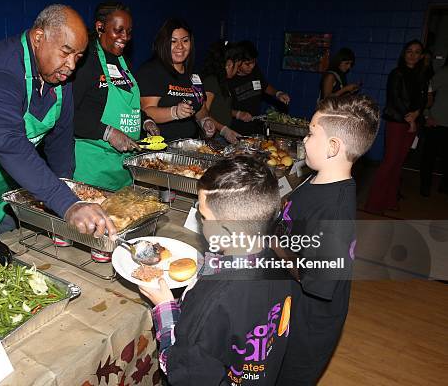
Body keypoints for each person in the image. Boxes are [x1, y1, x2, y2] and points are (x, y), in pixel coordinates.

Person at [0, 4, 117, 247]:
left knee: (14, 248)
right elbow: (9, 143)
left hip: (8, 178)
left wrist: (66, 196)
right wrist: (66, 204)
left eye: (78, 57)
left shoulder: (58, 76)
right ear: (38, 37)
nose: (71, 65)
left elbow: (61, 141)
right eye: (65, 52)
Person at [140, 156, 292, 385]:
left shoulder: (212, 301)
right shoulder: (278, 262)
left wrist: (164, 307)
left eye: (203, 216)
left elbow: (181, 370)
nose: (201, 221)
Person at [276, 95, 380, 385]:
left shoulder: (334, 215)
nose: (305, 139)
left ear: (333, 147)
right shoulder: (317, 177)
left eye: (310, 133)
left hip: (306, 329)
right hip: (288, 308)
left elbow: (316, 279)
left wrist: (275, 246)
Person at [72, 1, 159, 191]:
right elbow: (68, 115)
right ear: (100, 27)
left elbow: (128, 105)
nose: (125, 37)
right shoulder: (85, 62)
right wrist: (108, 133)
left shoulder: (123, 61)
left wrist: (146, 120)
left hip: (122, 170)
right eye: (118, 31)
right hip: (92, 169)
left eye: (129, 31)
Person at [364, 40, 425, 214]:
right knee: (389, 162)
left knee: (398, 164)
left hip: (412, 123)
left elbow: (422, 101)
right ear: (404, 54)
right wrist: (410, 119)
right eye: (409, 51)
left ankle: (390, 201)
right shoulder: (396, 73)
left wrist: (417, 114)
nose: (413, 55)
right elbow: (395, 99)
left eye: (417, 52)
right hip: (397, 122)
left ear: (421, 55)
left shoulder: (421, 76)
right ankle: (374, 204)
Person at [136, 18, 215, 142]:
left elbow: (200, 107)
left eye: (185, 41)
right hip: (160, 149)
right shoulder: (151, 71)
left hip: (189, 146)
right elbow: (146, 111)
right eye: (173, 41)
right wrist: (174, 112)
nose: (180, 46)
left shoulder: (194, 74)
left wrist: (205, 120)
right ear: (163, 43)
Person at [229, 40, 290, 135]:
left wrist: (278, 93)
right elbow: (219, 108)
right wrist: (238, 114)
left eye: (253, 62)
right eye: (247, 64)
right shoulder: (229, 78)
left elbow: (264, 86)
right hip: (235, 130)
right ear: (238, 62)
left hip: (255, 128)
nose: (252, 66)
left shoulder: (255, 70)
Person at [200, 41, 245, 144]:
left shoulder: (223, 81)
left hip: (220, 136)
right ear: (229, 64)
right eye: (237, 66)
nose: (238, 70)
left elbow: (220, 108)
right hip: (213, 137)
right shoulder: (211, 81)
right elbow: (203, 112)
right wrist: (223, 129)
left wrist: (237, 114)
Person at [420, 59, 448, 196]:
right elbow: (426, 91)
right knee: (429, 157)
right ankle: (425, 187)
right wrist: (426, 116)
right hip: (437, 123)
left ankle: (444, 186)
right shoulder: (444, 72)